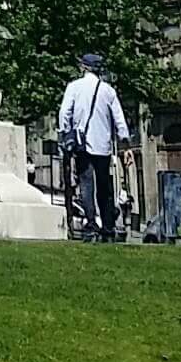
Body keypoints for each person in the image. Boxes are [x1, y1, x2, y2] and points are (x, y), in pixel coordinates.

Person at [59, 53, 130, 243]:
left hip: (82, 144)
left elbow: (65, 112)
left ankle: (90, 226)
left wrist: (65, 133)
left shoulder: (74, 87)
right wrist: (124, 140)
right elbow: (119, 118)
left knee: (86, 185)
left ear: (84, 67)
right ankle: (108, 227)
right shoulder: (108, 91)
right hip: (103, 145)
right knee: (105, 187)